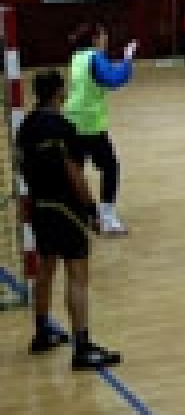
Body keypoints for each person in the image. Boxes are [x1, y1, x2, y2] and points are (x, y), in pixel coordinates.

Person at [17, 70, 122, 371]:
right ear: (58, 93)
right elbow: (74, 173)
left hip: (39, 206)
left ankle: (42, 332)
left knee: (45, 269)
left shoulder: (25, 127)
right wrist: (91, 209)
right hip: (66, 209)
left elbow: (22, 166)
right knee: (77, 275)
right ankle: (82, 347)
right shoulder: (64, 128)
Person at [64, 24, 136, 236]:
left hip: (71, 120)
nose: (106, 40)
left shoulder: (77, 57)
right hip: (89, 124)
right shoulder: (94, 57)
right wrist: (128, 59)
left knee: (76, 169)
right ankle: (107, 217)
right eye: (104, 36)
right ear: (95, 38)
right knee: (110, 167)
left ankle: (78, 213)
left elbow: (101, 75)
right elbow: (113, 80)